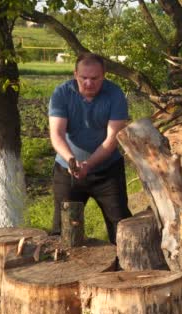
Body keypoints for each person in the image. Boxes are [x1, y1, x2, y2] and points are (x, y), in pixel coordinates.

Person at [48, 52, 132, 244]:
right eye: (83, 78)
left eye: (95, 78)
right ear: (75, 74)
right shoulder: (61, 93)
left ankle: (123, 267)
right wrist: (72, 160)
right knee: (63, 229)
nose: (88, 83)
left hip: (107, 171)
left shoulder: (115, 94)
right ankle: (65, 271)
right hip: (67, 170)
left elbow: (112, 139)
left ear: (104, 76)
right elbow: (57, 134)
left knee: (121, 225)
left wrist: (88, 164)